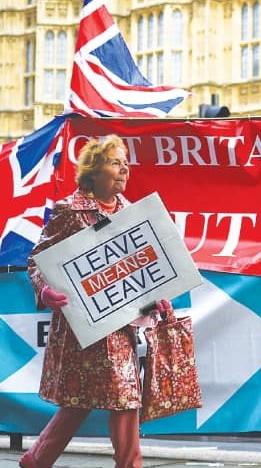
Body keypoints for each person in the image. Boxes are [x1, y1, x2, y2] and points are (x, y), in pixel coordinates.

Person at [20, 135, 171, 468]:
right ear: (93, 170)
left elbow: (141, 267)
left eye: (126, 165)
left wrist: (156, 298)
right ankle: (36, 459)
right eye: (116, 163)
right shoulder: (69, 211)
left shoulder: (131, 213)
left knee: (126, 396)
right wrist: (45, 291)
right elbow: (36, 261)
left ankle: (44, 460)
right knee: (81, 399)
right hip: (82, 329)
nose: (124, 171)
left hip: (121, 325)